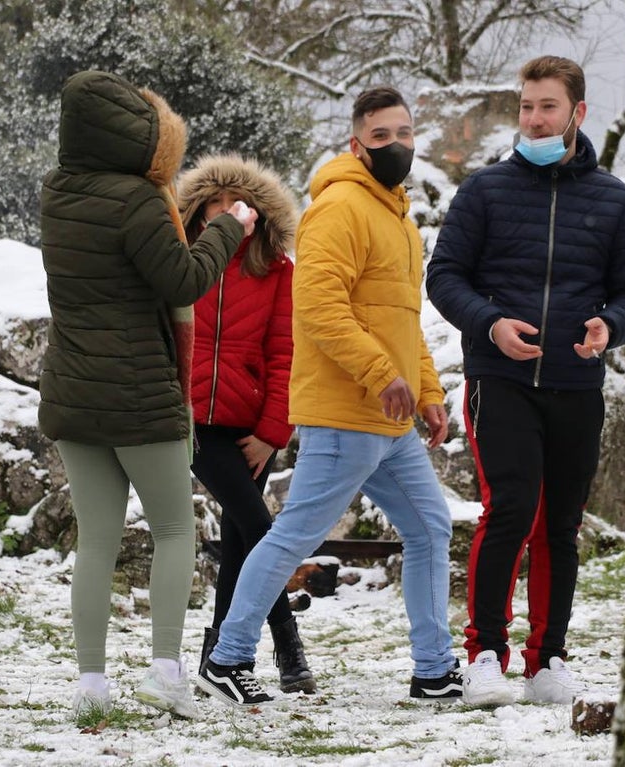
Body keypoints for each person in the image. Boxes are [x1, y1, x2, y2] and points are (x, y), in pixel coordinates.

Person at [196, 86, 461, 706]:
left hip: (390, 419)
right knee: (289, 539)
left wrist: (426, 390)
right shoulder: (338, 207)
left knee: (429, 529)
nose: (395, 145)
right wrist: (379, 375)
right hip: (346, 414)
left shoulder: (399, 219)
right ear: (356, 143)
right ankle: (227, 658)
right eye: (380, 136)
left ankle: (434, 670)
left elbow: (403, 319)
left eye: (403, 134)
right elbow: (317, 309)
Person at [426, 55, 625, 707]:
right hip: (502, 379)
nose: (534, 117)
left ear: (577, 113)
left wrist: (611, 326)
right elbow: (444, 277)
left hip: (577, 385)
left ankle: (548, 659)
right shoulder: (486, 191)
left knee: (561, 522)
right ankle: (485, 653)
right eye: (526, 106)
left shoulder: (615, 200)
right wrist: (491, 324)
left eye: (547, 106)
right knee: (512, 508)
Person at [37, 70, 258, 720]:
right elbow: (183, 279)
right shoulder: (137, 201)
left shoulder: (57, 193)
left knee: (97, 539)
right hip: (139, 395)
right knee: (172, 529)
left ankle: (91, 687)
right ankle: (165, 673)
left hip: (74, 393)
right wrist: (229, 227)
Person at [176, 154, 317, 694]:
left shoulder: (277, 270)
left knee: (241, 536)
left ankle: (222, 652)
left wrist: (271, 433)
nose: (226, 213)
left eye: (237, 204)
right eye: (214, 203)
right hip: (191, 423)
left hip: (252, 428)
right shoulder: (182, 261)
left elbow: (287, 352)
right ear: (197, 211)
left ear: (257, 213)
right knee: (261, 529)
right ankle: (285, 638)